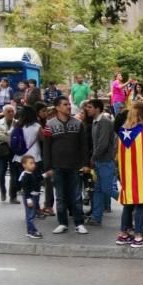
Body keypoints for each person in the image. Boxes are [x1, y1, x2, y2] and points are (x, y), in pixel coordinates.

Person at [115, 101, 143, 248]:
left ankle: (123, 234)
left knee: (128, 204)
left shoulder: (121, 131)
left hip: (126, 174)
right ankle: (138, 237)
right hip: (140, 173)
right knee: (140, 204)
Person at [45, 98, 89, 234]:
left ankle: (79, 222)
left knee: (76, 196)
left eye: (69, 104)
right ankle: (62, 222)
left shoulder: (78, 123)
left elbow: (84, 146)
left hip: (75, 166)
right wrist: (48, 167)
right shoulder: (49, 125)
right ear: (57, 107)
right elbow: (46, 147)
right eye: (65, 104)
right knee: (60, 196)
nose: (68, 107)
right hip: (57, 166)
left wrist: (86, 164)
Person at [86, 99, 116, 226]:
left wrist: (93, 157)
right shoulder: (95, 122)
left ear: (97, 109)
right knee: (97, 190)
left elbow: (102, 144)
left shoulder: (104, 122)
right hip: (99, 161)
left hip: (105, 161)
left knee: (107, 189)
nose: (87, 109)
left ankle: (131, 205)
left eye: (90, 107)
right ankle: (96, 217)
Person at [9, 105, 43, 205]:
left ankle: (27, 205)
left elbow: (11, 141)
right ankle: (35, 207)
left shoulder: (17, 126)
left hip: (20, 158)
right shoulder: (37, 126)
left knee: (25, 184)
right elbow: (43, 139)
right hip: (34, 158)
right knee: (35, 183)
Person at [18, 154, 45, 239]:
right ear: (24, 165)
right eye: (31, 163)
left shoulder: (31, 174)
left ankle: (32, 230)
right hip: (30, 197)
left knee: (31, 215)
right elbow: (26, 189)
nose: (34, 165)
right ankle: (31, 232)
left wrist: (46, 175)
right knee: (30, 216)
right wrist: (28, 200)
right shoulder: (25, 176)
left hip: (34, 196)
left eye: (34, 163)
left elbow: (38, 178)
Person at [0, 104, 16, 203]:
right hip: (1, 151)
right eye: (8, 111)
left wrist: (6, 133)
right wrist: (12, 137)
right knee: (0, 173)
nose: (11, 113)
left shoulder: (17, 123)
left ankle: (13, 196)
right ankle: (3, 191)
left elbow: (19, 136)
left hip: (14, 151)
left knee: (14, 174)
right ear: (4, 113)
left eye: (12, 111)